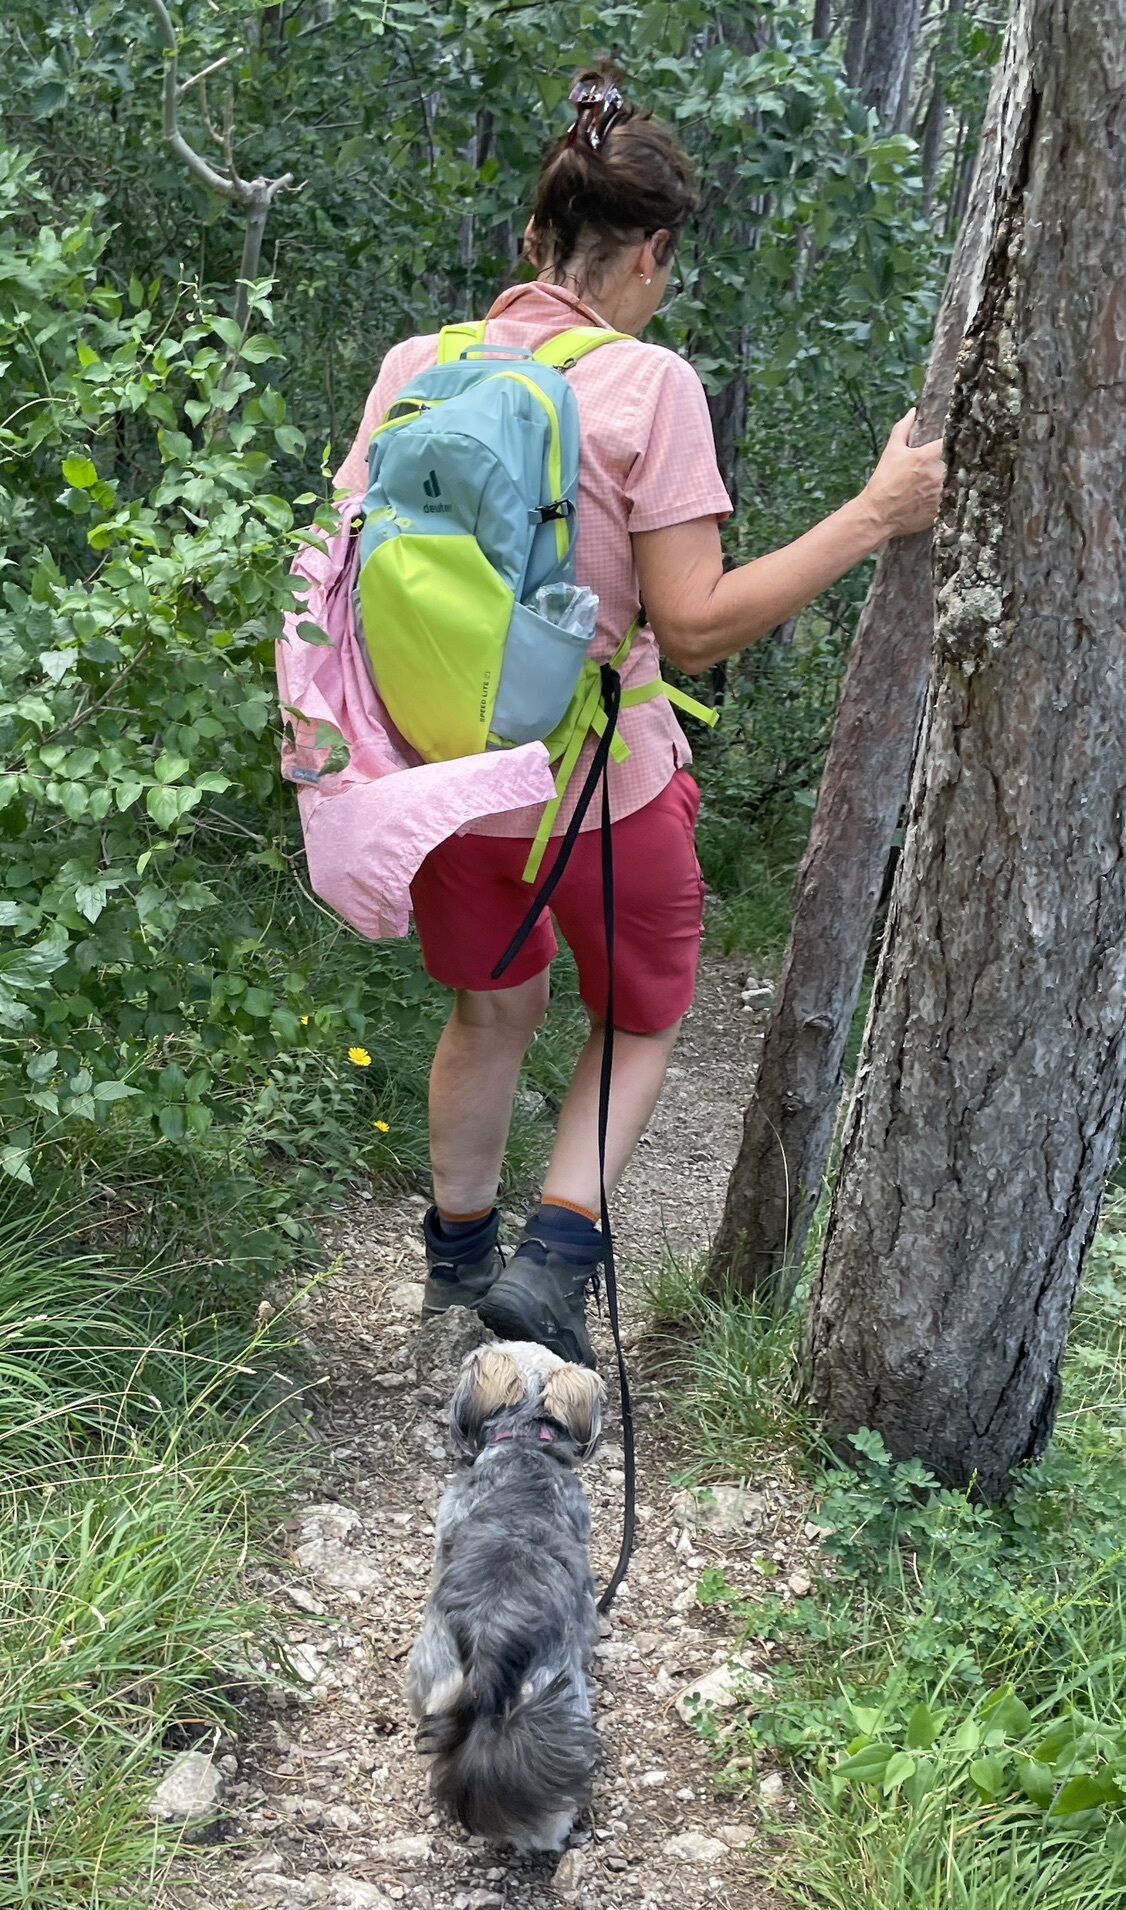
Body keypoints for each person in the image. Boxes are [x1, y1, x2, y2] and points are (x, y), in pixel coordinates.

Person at [334, 67, 944, 1368]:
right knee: (638, 1018)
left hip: (443, 785)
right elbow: (697, 624)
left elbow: (336, 578)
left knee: (489, 1013)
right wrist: (875, 513)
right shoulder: (649, 386)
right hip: (603, 789)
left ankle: (457, 1263)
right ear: (653, 252)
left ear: (531, 238)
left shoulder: (415, 368)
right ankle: (553, 1263)